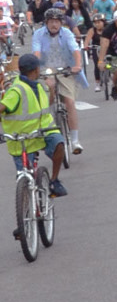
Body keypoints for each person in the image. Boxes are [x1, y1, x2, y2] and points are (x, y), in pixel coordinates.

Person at [1, 53, 68, 202]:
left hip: (44, 131)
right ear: (36, 69)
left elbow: (46, 106)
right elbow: (3, 106)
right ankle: (25, 216)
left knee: (59, 143)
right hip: (22, 137)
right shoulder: (16, 90)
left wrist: (51, 90)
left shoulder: (39, 85)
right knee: (24, 179)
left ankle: (54, 180)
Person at [32, 7, 85, 154]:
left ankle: (75, 140)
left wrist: (77, 65)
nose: (54, 25)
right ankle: (45, 133)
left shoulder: (67, 33)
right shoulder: (38, 34)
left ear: (61, 23)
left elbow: (75, 50)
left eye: (57, 21)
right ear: (46, 22)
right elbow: (36, 51)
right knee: (46, 100)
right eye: (51, 21)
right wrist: (35, 68)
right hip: (45, 70)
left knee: (69, 102)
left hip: (65, 70)